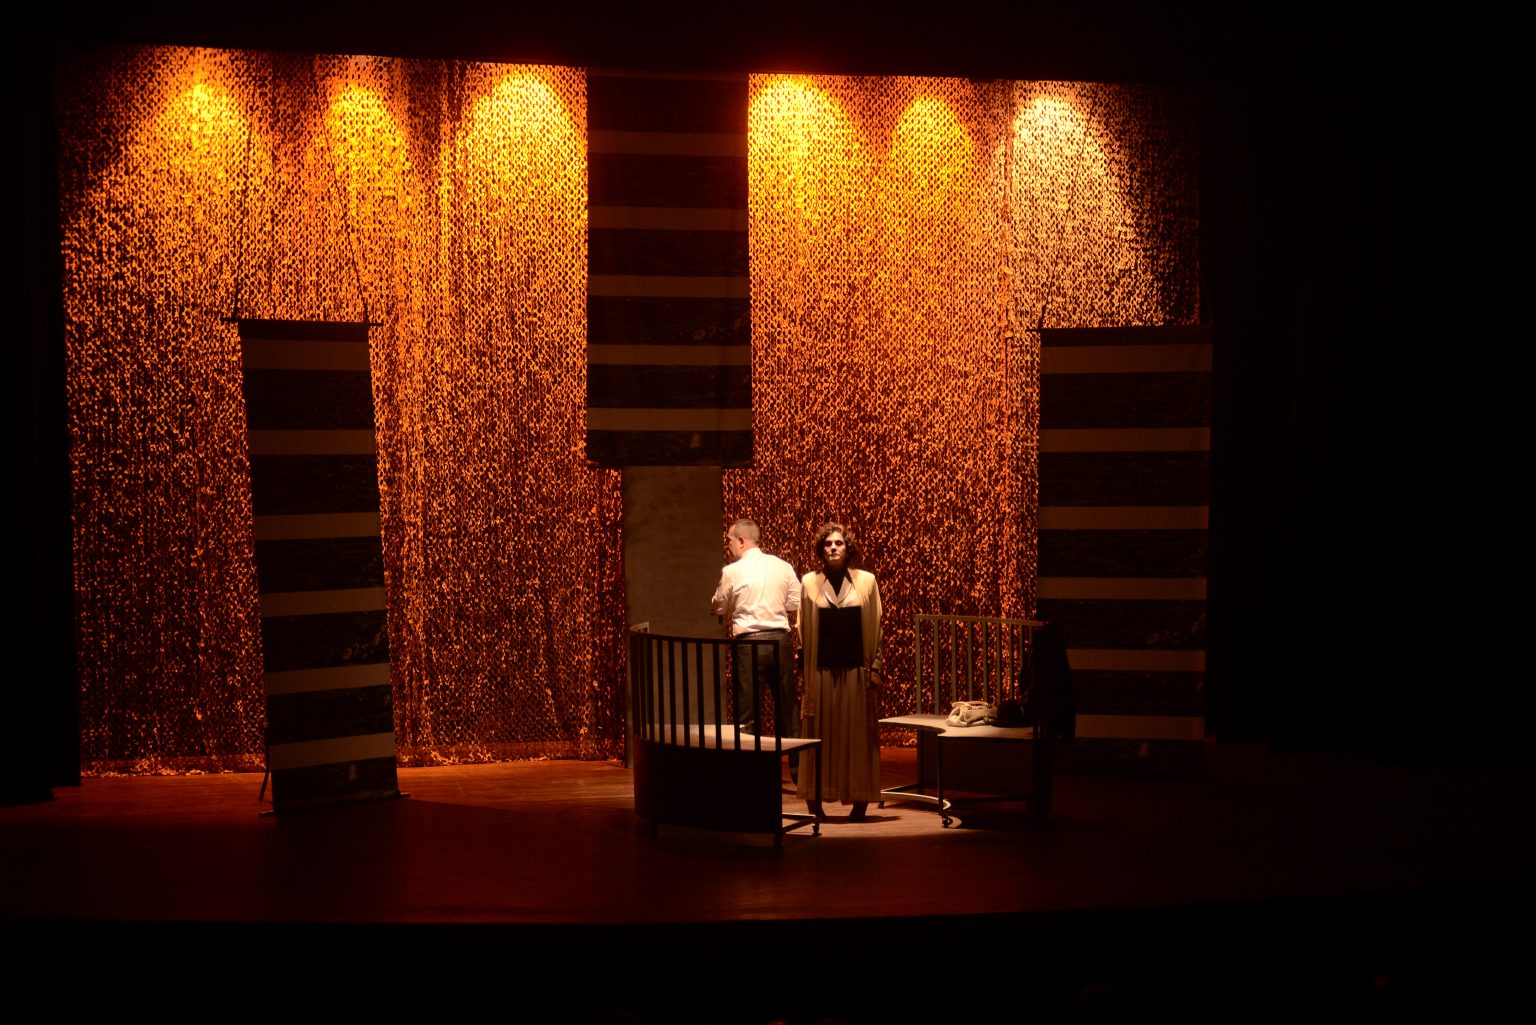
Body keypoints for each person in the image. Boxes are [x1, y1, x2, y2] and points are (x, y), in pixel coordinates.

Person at [796, 522, 882, 821]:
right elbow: (802, 630)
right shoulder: (809, 582)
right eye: (828, 543)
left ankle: (860, 799)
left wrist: (875, 667)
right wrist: (803, 673)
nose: (833, 548)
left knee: (857, 736)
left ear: (848, 548)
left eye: (839, 543)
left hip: (855, 670)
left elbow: (877, 626)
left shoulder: (867, 581)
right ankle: (814, 800)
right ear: (821, 549)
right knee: (818, 734)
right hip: (821, 671)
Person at [710, 519, 802, 765]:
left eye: (729, 540)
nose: (728, 545)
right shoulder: (783, 566)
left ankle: (751, 769)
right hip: (780, 641)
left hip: (749, 644)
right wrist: (774, 604)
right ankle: (797, 768)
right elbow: (797, 601)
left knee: (748, 712)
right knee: (787, 706)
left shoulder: (732, 571)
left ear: (741, 541)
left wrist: (736, 605)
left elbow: (719, 605)